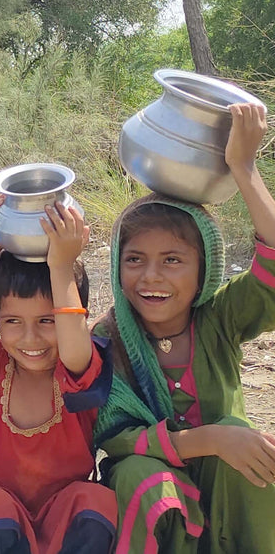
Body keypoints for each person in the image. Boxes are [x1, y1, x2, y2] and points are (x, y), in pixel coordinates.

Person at [93, 102, 275, 553]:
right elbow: (115, 439)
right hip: (152, 488)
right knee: (140, 477)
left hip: (225, 484)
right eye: (135, 259)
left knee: (250, 454)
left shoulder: (219, 317)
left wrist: (244, 168)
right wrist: (209, 438)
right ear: (118, 266)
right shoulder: (107, 338)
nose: (151, 276)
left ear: (205, 268)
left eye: (172, 260)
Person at [0, 195, 116, 553]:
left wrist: (62, 266)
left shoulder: (78, 366)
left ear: (70, 317)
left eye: (48, 321)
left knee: (95, 501)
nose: (30, 339)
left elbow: (77, 347)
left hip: (61, 518)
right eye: (13, 322)